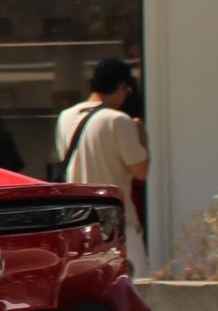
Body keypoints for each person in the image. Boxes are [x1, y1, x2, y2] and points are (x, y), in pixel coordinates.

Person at [57, 58, 150, 272]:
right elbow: (141, 171)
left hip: (80, 221)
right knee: (135, 288)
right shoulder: (118, 120)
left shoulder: (65, 117)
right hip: (116, 221)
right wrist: (141, 135)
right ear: (120, 88)